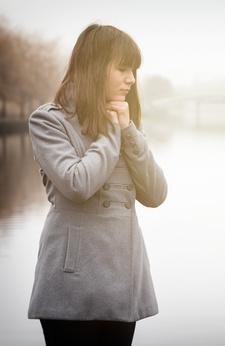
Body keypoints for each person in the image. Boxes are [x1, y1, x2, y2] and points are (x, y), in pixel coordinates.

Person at [26, 23, 168, 346]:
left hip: (122, 283)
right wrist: (112, 133)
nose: (131, 78)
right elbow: (78, 183)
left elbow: (157, 193)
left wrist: (129, 130)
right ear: (94, 67)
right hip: (71, 286)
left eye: (133, 70)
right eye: (123, 68)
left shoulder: (124, 123)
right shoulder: (49, 121)